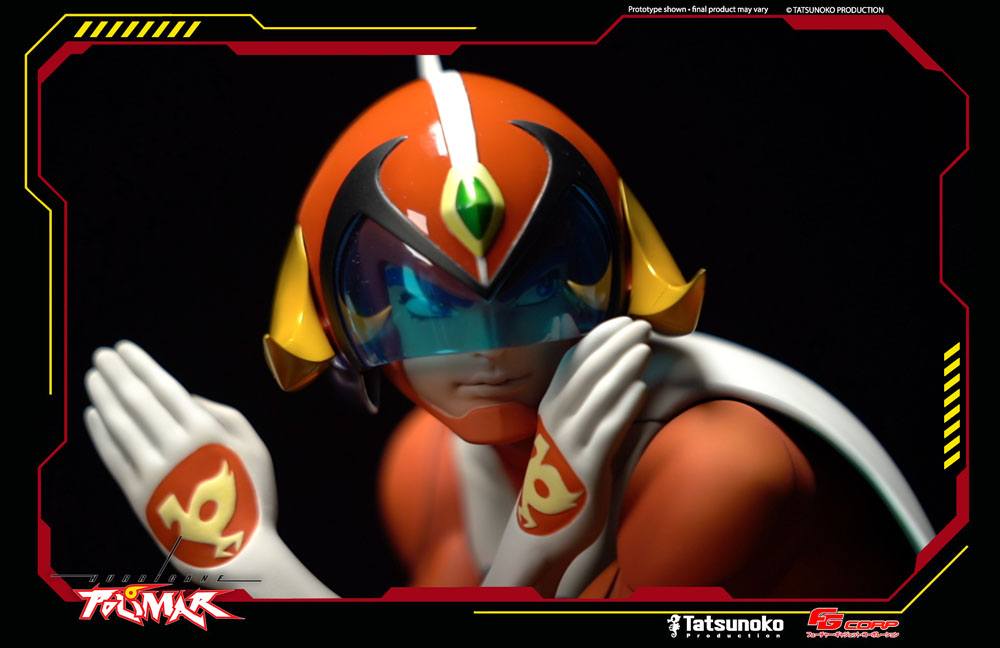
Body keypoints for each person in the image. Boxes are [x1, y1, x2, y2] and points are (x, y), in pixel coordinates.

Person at [83, 56, 934, 599]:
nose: (490, 352)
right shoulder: (429, 468)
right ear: (345, 330)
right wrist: (533, 548)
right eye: (429, 312)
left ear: (615, 286)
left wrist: (254, 571)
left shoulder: (720, 467)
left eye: (536, 296)